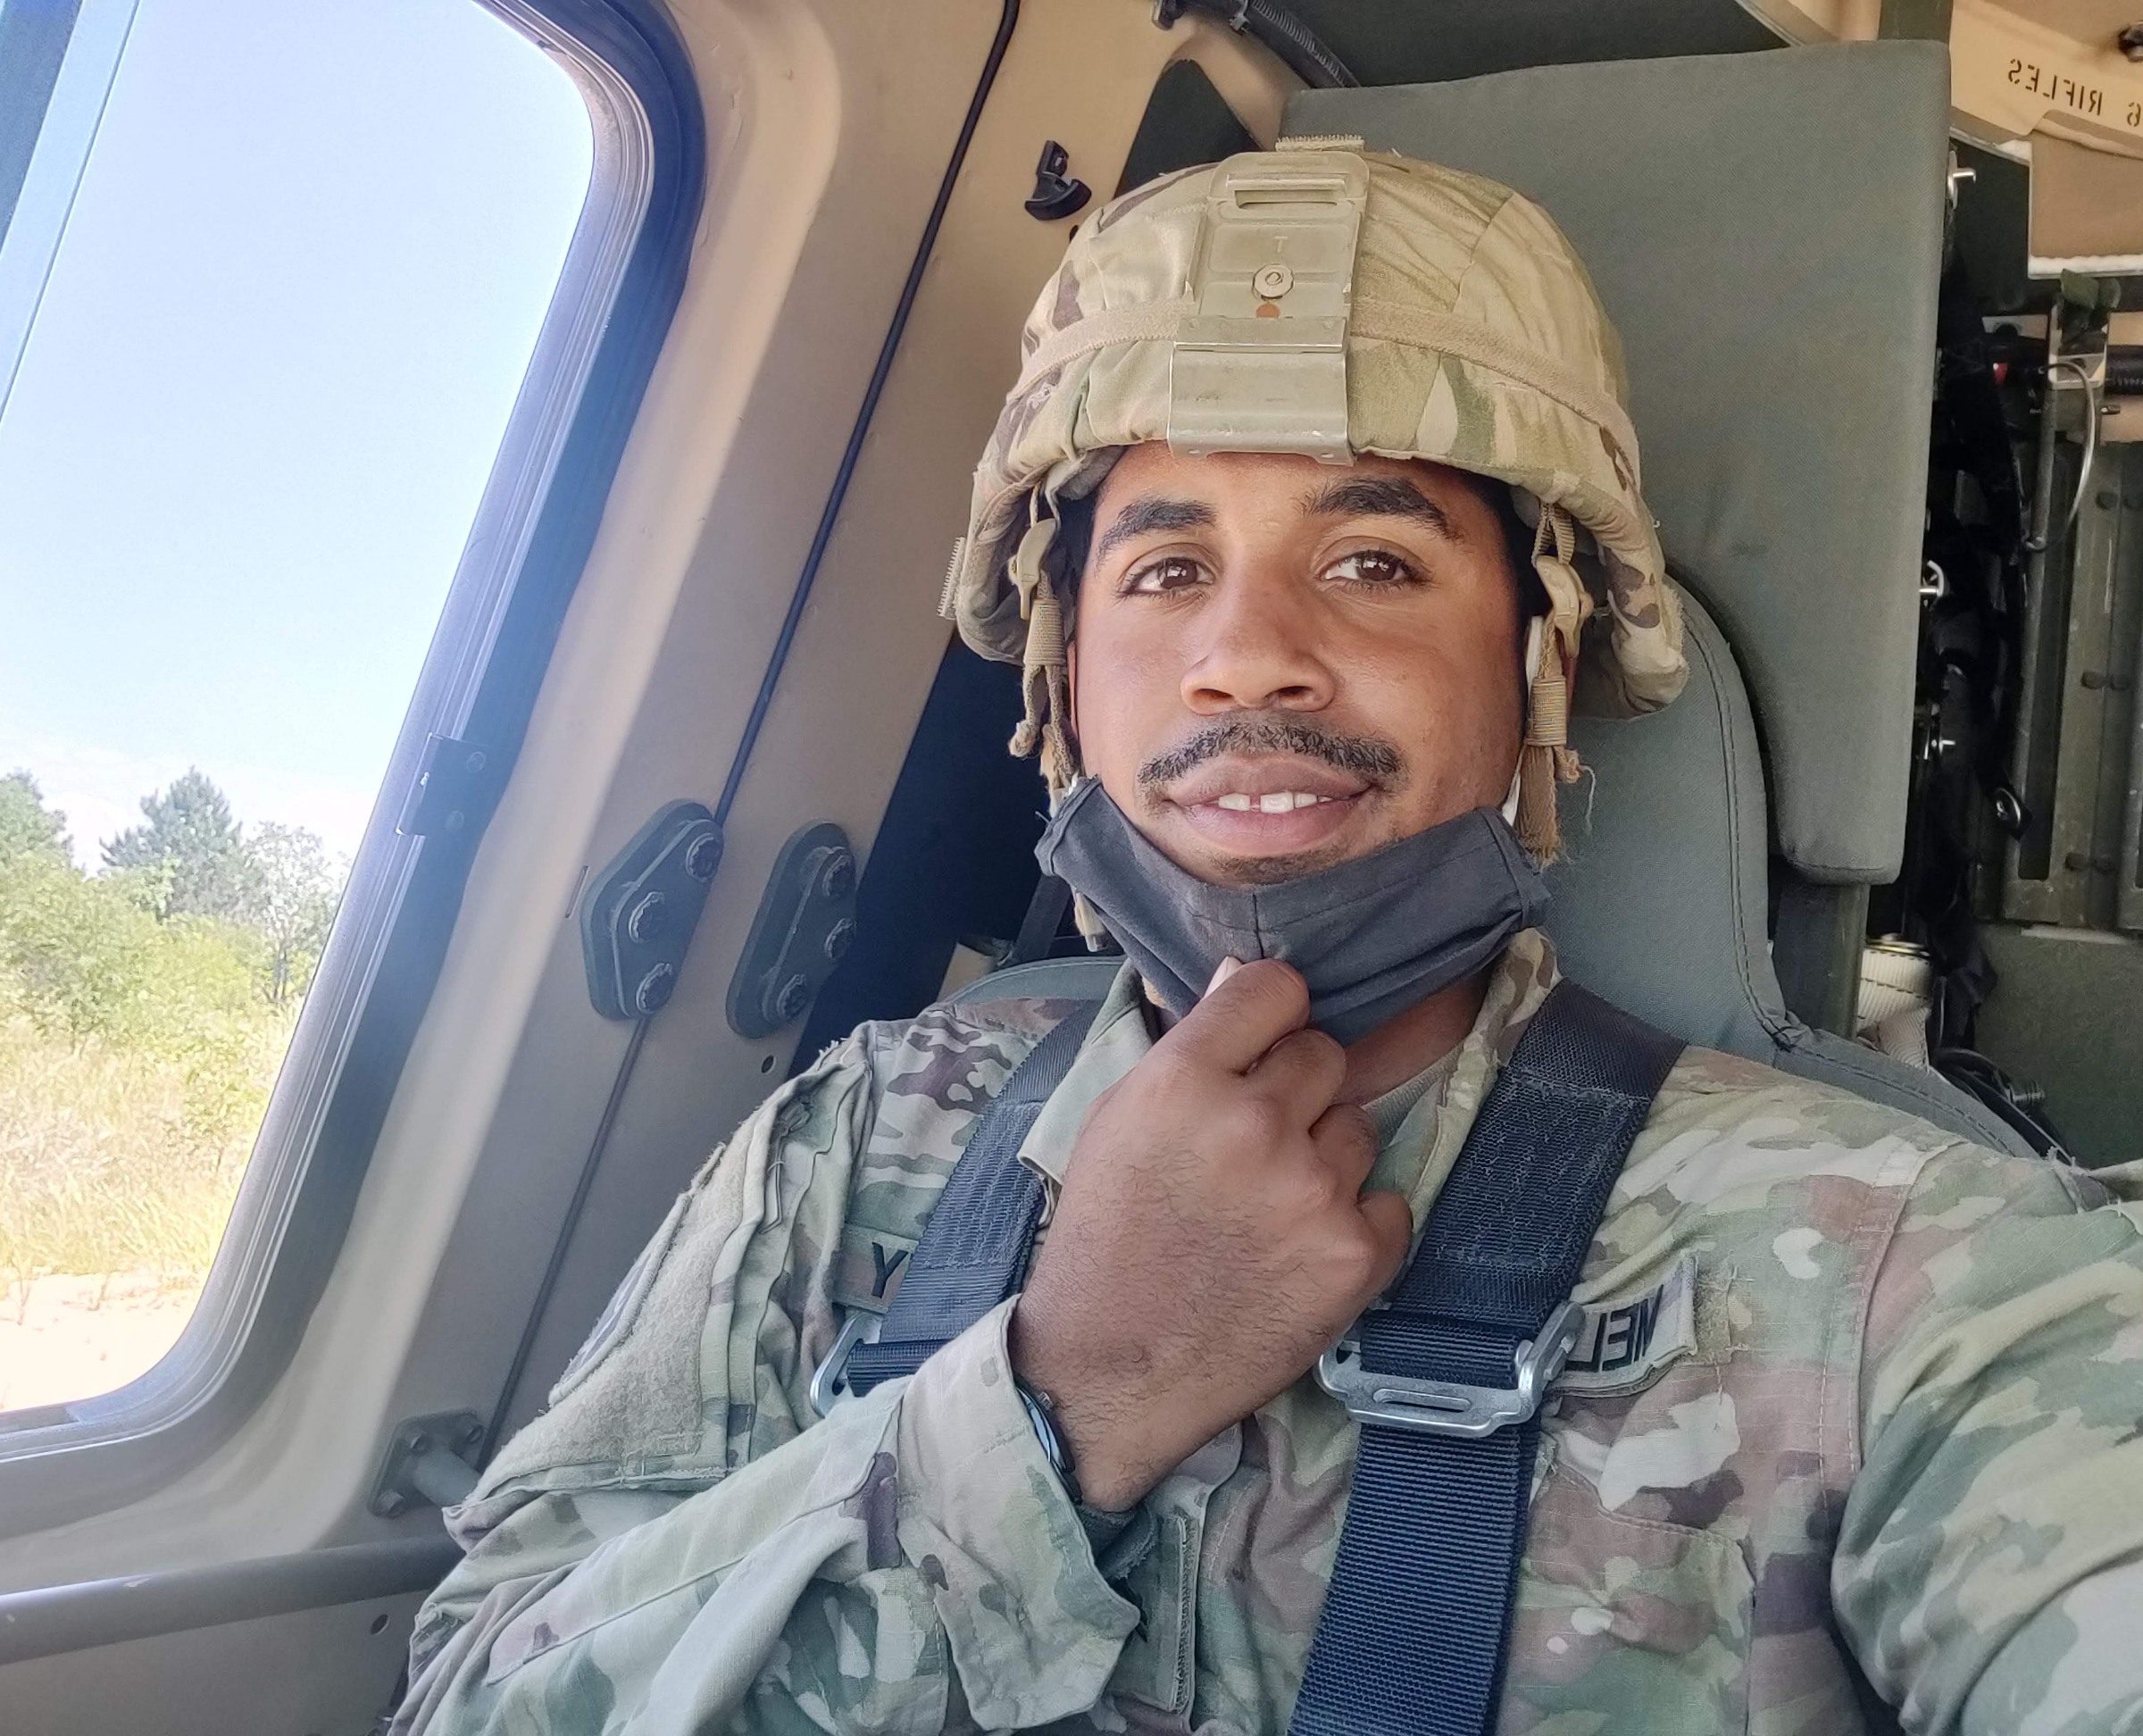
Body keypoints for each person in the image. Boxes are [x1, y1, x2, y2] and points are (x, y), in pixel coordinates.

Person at [391, 146, 2143, 1735]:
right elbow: (476, 1702)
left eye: (1373, 561)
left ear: (1540, 659)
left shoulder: (1902, 1265)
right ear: (1062, 677)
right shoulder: (852, 1145)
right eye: (1163, 573)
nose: (1246, 658)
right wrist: (1065, 1398)